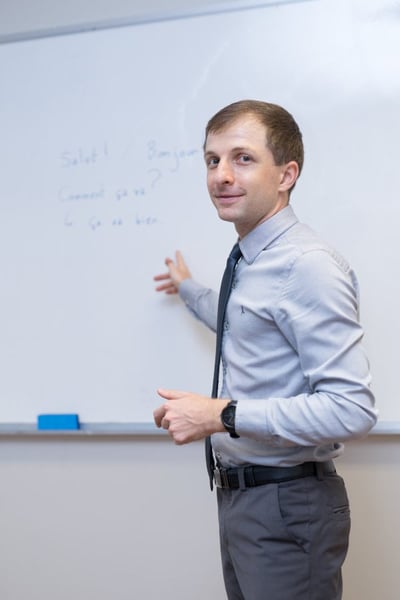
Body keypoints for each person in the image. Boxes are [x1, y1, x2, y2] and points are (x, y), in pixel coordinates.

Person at [153, 100, 377, 600]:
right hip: (242, 500)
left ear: (286, 174)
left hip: (287, 504)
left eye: (242, 158)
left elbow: (353, 409)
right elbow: (239, 318)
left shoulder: (306, 265)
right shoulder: (252, 260)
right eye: (212, 160)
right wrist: (187, 288)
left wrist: (221, 414)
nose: (221, 175)